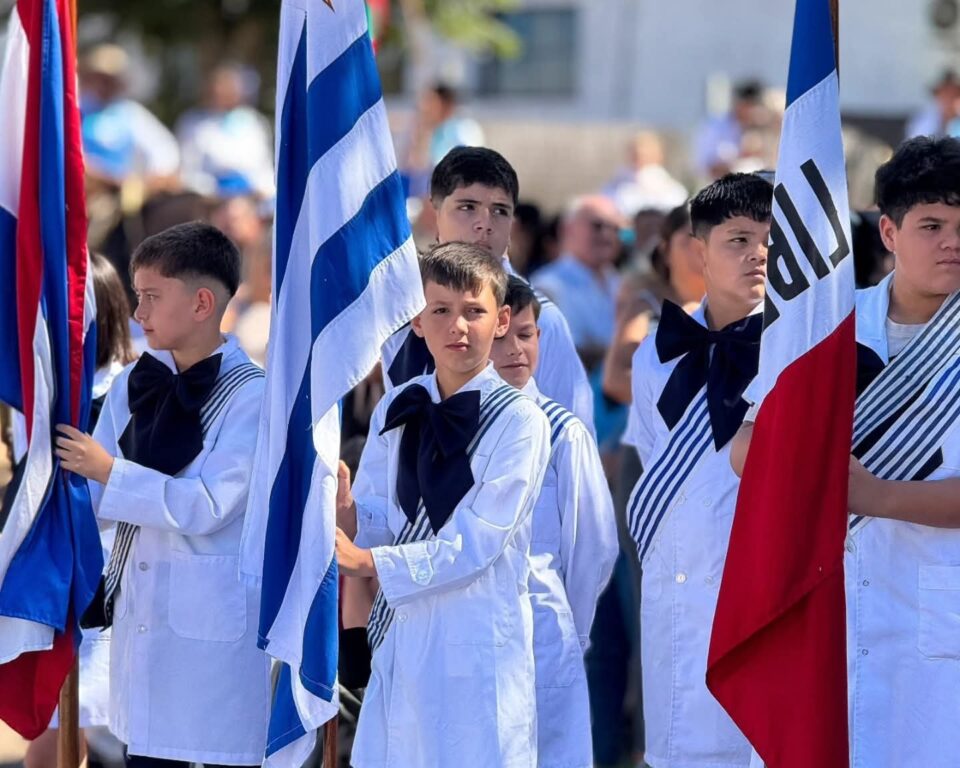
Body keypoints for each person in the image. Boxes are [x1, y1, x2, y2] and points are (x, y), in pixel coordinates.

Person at [733, 136, 960, 768]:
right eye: (932, 225)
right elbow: (744, 447)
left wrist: (874, 495)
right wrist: (800, 466)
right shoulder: (826, 322)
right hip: (819, 602)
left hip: (939, 619)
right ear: (888, 231)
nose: (952, 242)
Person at [54, 222, 269, 768]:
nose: (139, 312)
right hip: (142, 629)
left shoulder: (252, 396)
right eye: (137, 296)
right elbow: (96, 492)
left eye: (151, 297)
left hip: (211, 640)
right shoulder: (134, 382)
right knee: (145, 755)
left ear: (202, 303)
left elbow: (207, 504)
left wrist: (109, 473)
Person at [335, 242, 551, 767]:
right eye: (441, 311)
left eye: (473, 311)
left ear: (500, 321)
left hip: (475, 640)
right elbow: (379, 518)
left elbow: (478, 540)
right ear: (416, 320)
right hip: (403, 634)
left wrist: (368, 563)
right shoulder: (398, 402)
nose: (458, 326)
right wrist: (345, 513)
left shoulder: (521, 420)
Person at [629, 173, 772, 768]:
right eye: (739, 239)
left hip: (762, 606)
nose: (759, 253)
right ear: (699, 252)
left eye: (773, 239)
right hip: (677, 609)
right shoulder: (654, 355)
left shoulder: (809, 351)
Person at [489, 276, 619, 768]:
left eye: (527, 334)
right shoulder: (442, 421)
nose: (516, 349)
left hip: (542, 633)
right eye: (502, 336)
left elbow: (594, 548)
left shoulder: (563, 432)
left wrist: (567, 627)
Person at [383, 146, 595, 432]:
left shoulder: (540, 319)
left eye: (500, 211)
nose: (485, 224)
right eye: (467, 207)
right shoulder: (401, 310)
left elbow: (573, 434)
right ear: (435, 211)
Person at [21, 254, 136, 768]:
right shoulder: (44, 397)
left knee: (101, 721)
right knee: (55, 730)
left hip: (111, 580)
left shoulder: (129, 391)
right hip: (55, 578)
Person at [530, 195, 625, 370]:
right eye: (597, 226)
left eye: (615, 228)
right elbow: (565, 351)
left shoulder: (621, 282)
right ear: (567, 229)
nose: (608, 235)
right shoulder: (547, 286)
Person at [79, 44, 180, 190]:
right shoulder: (77, 108)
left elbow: (164, 149)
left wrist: (152, 178)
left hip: (119, 190)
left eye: (111, 79)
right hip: (84, 189)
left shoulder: (128, 112)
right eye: (101, 78)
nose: (105, 85)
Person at [176, 63, 275, 199]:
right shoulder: (193, 123)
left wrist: (255, 189)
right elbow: (187, 172)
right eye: (219, 87)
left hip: (252, 200)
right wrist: (216, 189)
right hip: (210, 202)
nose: (223, 92)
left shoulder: (255, 122)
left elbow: (265, 170)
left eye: (230, 87)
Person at [602, 131, 688, 219]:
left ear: (658, 155)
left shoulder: (673, 190)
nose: (640, 159)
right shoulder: (616, 186)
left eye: (645, 154)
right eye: (635, 154)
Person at [905, 69, 960, 139]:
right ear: (937, 96)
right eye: (945, 94)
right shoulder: (924, 119)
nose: (949, 99)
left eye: (954, 94)